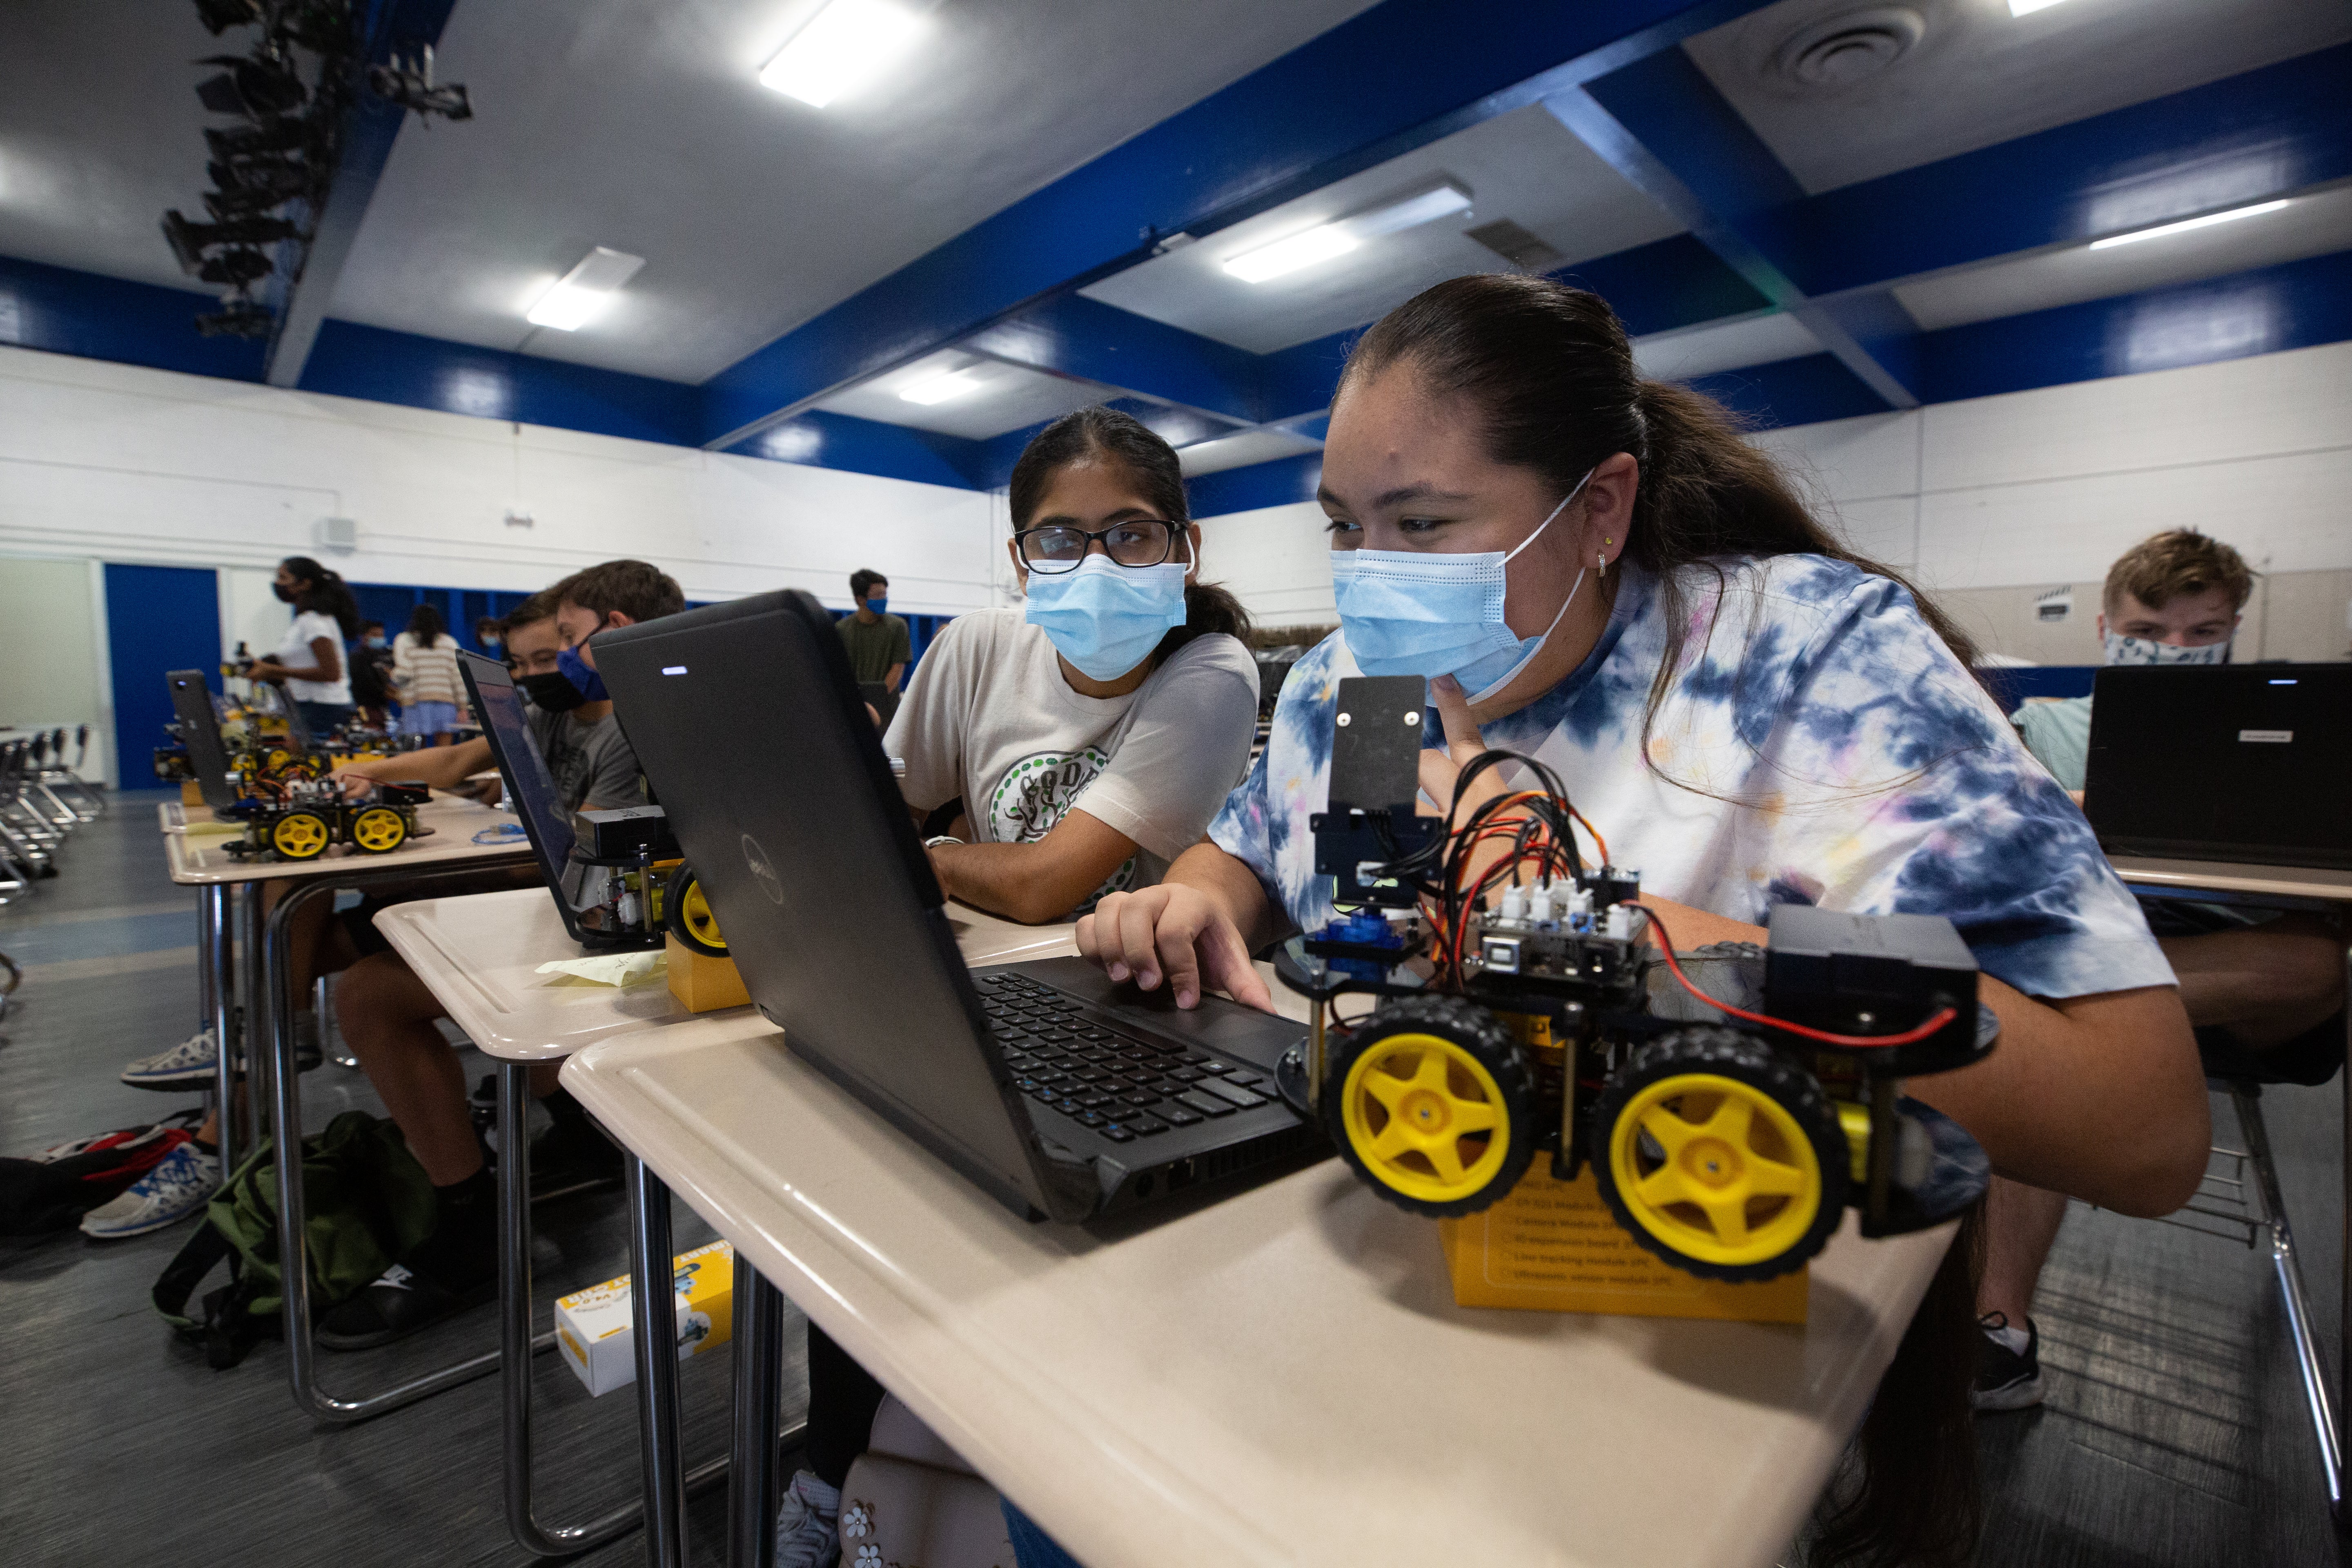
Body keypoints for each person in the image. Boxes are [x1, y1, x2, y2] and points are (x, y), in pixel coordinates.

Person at [1069, 276, 2208, 1568]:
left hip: (1680, 1340)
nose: (1369, 579)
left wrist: (1559, 911)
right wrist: (1200, 893)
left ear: (1599, 505)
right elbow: (1258, 846)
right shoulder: (1361, 684)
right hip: (1368, 1293)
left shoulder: (1801, 657)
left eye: (1424, 521)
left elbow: (2141, 1116)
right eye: (1344, 527)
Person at [773, 408, 1259, 1566]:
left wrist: (924, 861)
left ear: (1186, 551)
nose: (1096, 564)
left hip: (1151, 1016)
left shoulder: (1213, 670)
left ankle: (945, 1476)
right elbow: (876, 808)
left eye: (1132, 535)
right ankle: (832, 1474)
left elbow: (1049, 885)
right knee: (867, 1170)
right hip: (994, 990)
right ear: (1018, 558)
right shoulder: (980, 647)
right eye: (1061, 539)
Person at [1977, 529, 2348, 1412]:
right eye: (2152, 627)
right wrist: (2074, 809)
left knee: (2316, 962)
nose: (2176, 649)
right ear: (2107, 629)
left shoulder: (2297, 734)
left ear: (2234, 630)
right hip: (2103, 932)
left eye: (2202, 631)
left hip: (2238, 963)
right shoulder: (2044, 728)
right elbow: (1990, 839)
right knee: (2043, 1038)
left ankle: (2078, 1006)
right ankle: (1996, 1324)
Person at [315, 560, 683, 1346]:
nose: (546, 667)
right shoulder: (567, 712)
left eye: (561, 646)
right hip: (581, 911)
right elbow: (462, 766)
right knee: (353, 938)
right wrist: (360, 772)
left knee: (370, 994)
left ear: (611, 634)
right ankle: (564, 1132)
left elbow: (579, 850)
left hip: (633, 935)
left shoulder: (645, 721)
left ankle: (472, 1223)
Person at [243, 555, 360, 739]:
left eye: (283, 578)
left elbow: (331, 673)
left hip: (323, 707)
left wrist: (272, 669)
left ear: (304, 584)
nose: (278, 584)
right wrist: (262, 666)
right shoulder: (302, 621)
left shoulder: (315, 622)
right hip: (308, 704)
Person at [391, 603, 466, 745]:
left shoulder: (404, 640)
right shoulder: (450, 642)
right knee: (444, 752)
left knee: (419, 753)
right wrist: (462, 707)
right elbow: (458, 678)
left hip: (415, 701)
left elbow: (404, 673)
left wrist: (392, 675)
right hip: (446, 702)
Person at [837, 568, 911, 703]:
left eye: (885, 595)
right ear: (860, 600)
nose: (884, 600)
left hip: (886, 706)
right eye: (878, 596)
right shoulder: (842, 629)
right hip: (852, 703)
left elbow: (897, 670)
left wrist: (877, 699)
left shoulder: (897, 626)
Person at [349, 620, 396, 731]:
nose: (379, 638)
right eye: (375, 635)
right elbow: (369, 684)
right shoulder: (357, 657)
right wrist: (395, 696)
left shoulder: (384, 655)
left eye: (381, 635)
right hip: (365, 708)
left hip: (382, 708)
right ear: (363, 637)